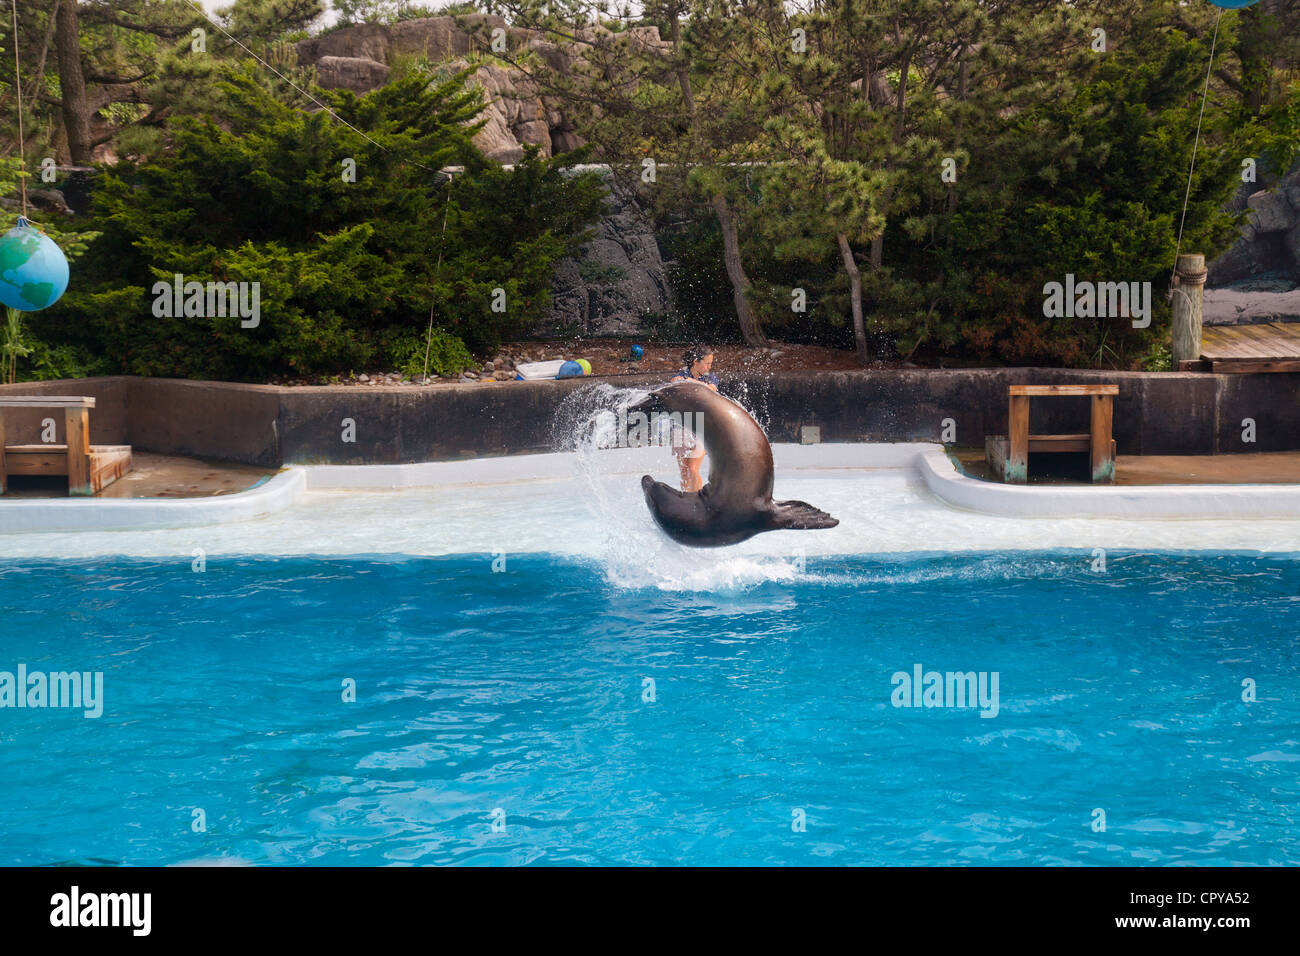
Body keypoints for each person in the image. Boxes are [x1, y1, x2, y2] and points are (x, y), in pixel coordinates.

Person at [670, 345, 718, 492]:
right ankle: (686, 501)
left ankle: (698, 500)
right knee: (684, 471)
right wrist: (682, 380)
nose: (709, 366)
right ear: (696, 362)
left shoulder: (711, 378)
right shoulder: (680, 375)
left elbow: (710, 390)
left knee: (692, 468)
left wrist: (689, 381)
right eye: (707, 363)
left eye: (711, 363)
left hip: (701, 427)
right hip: (680, 427)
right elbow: (674, 384)